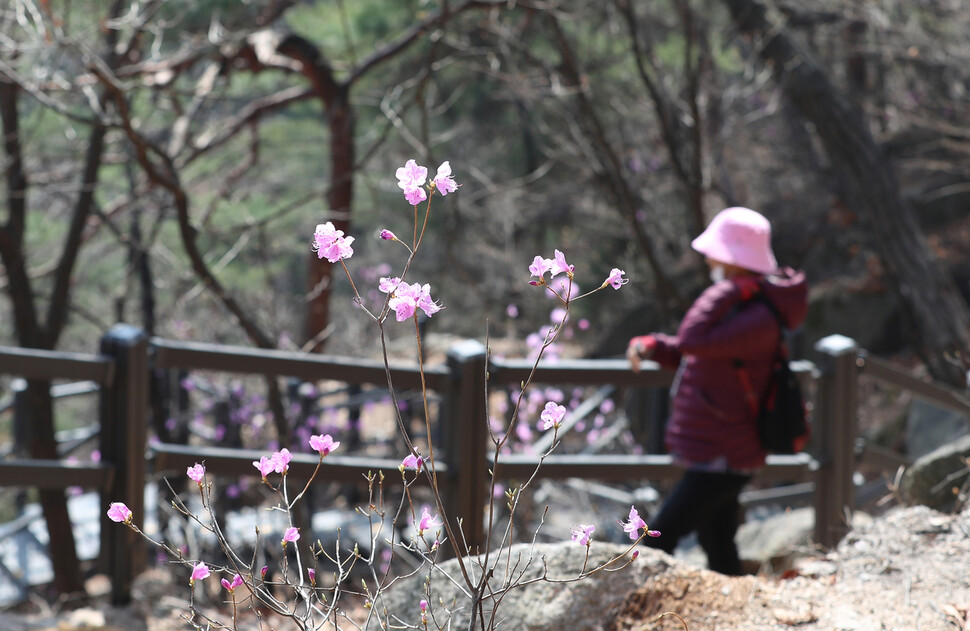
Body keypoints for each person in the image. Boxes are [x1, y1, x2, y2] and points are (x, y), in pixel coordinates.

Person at [626, 206, 808, 575]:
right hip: (720, 450)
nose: (707, 259)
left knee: (660, 537)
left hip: (725, 454)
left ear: (732, 259)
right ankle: (735, 609)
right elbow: (699, 354)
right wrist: (653, 346)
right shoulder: (743, 307)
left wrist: (728, 288)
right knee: (718, 541)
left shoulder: (756, 316)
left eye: (714, 253)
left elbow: (694, 340)